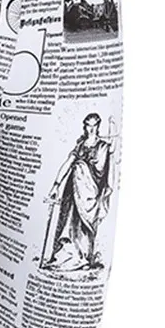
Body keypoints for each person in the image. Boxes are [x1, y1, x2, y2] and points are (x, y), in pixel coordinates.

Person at [40, 112, 114, 270]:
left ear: (98, 126)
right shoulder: (80, 145)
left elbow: (102, 168)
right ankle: (67, 255)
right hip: (73, 188)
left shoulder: (102, 146)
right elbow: (68, 163)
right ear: (85, 127)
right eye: (88, 125)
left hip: (89, 190)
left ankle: (84, 257)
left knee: (84, 223)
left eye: (94, 126)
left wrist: (83, 168)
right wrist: (56, 185)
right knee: (69, 220)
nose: (91, 129)